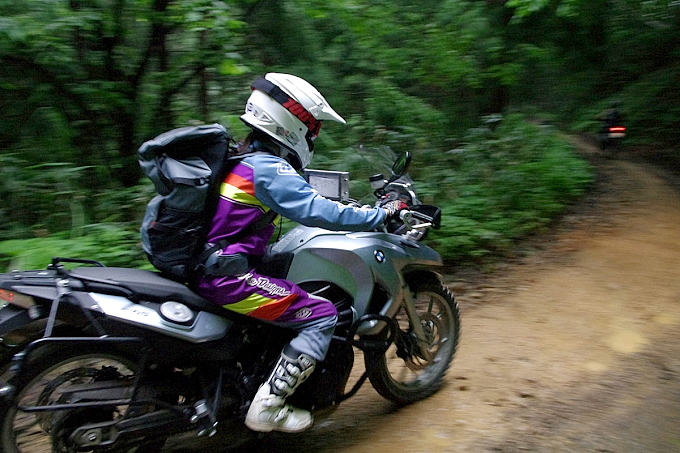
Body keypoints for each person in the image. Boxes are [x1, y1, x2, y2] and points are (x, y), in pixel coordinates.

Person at [194, 73, 406, 433]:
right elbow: (321, 211)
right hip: (228, 277)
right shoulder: (268, 167)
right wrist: (379, 214)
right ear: (292, 122)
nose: (313, 136)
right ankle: (269, 406)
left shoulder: (243, 159)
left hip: (213, 264)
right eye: (313, 128)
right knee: (322, 315)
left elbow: (297, 196)